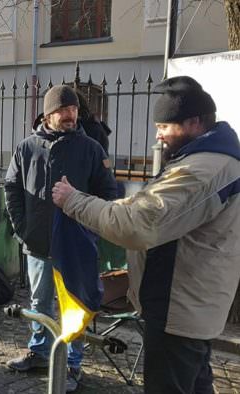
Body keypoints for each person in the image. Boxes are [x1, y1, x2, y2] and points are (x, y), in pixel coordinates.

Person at [51, 76, 239, 394]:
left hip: (178, 314)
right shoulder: (206, 160)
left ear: (193, 123)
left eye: (164, 126)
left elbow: (138, 223)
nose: (158, 134)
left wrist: (74, 201)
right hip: (189, 308)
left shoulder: (202, 170)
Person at [4, 85, 117, 392]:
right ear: (48, 114)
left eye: (74, 110)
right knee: (39, 303)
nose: (71, 115)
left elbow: (108, 194)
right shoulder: (27, 147)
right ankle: (39, 351)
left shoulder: (91, 148)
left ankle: (72, 363)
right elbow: (12, 188)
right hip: (38, 243)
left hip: (76, 247)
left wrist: (88, 229)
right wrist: (22, 228)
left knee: (74, 306)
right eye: (64, 111)